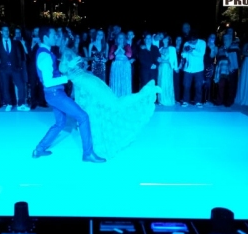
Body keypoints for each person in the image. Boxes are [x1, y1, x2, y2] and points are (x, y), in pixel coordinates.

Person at [58, 30, 162, 159]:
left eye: (58, 36)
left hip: (88, 83)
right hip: (85, 84)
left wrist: (70, 66)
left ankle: (145, 93)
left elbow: (65, 69)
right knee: (97, 110)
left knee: (114, 104)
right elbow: (69, 69)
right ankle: (94, 145)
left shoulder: (67, 52)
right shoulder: (67, 52)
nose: (57, 38)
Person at [32, 27, 105, 163]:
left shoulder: (45, 53)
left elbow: (52, 75)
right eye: (54, 34)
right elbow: (48, 82)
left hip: (53, 94)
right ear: (46, 37)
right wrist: (67, 76)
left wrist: (67, 68)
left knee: (60, 123)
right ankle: (88, 153)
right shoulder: (45, 56)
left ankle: (39, 149)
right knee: (83, 117)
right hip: (55, 94)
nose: (56, 37)